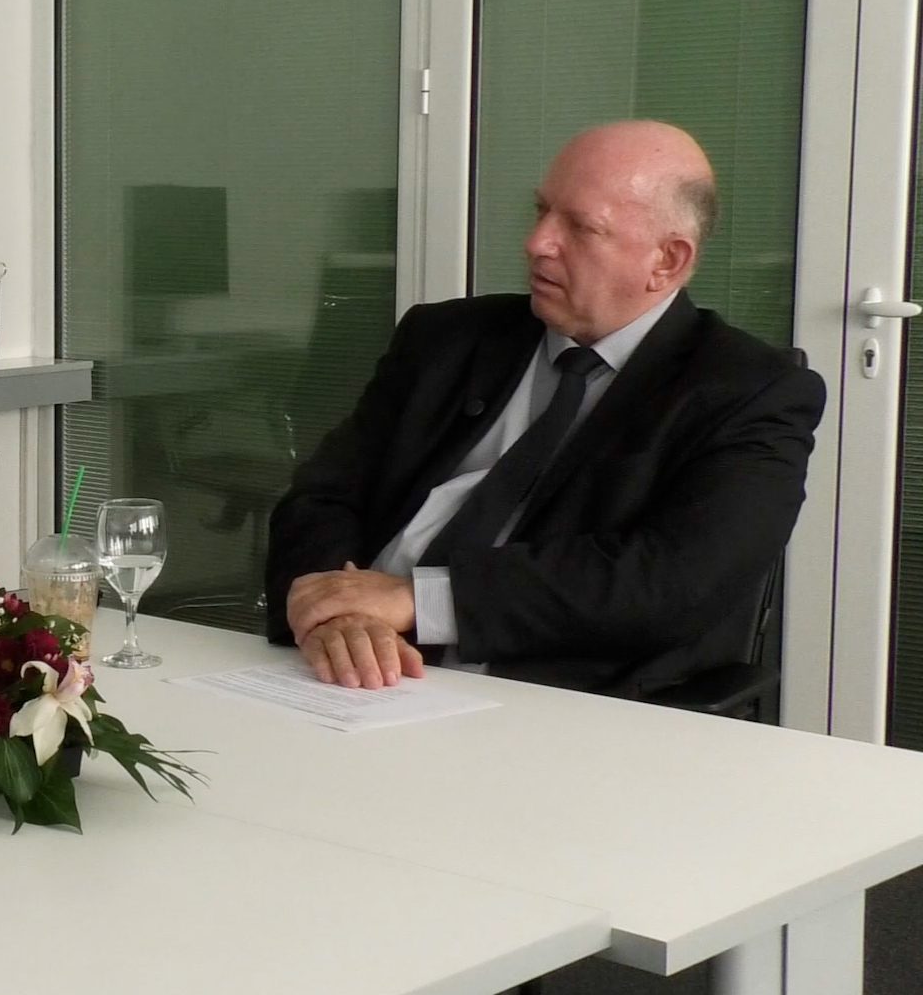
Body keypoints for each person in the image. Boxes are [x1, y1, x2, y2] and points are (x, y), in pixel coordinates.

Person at [266, 120, 824, 695]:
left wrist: (418, 600)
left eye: (581, 227)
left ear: (667, 260)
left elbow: (675, 581)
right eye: (541, 210)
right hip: (346, 673)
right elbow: (321, 495)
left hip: (543, 698)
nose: (537, 243)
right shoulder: (445, 338)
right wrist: (333, 611)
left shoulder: (753, 391)